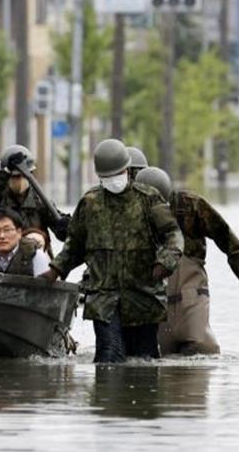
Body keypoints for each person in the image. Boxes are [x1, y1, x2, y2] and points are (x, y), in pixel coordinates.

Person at [39, 138, 183, 363]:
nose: (112, 181)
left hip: (142, 295)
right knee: (108, 358)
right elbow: (75, 245)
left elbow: (173, 234)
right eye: (106, 177)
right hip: (104, 298)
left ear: (127, 170)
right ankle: (105, 397)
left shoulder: (148, 199)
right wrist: (55, 269)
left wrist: (166, 260)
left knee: (144, 361)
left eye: (116, 174)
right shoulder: (90, 203)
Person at [135, 166, 239, 356]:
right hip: (156, 297)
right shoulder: (131, 214)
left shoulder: (190, 205)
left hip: (191, 292)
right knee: (160, 355)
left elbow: (222, 232)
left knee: (201, 348)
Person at [0, 144, 71, 254]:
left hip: (36, 259)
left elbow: (63, 232)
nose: (18, 181)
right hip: (5, 259)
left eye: (22, 176)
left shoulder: (40, 202)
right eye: (14, 177)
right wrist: (4, 173)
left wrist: (66, 227)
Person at [0, 208, 51, 276]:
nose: (2, 236)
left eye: (7, 230)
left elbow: (44, 291)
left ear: (19, 233)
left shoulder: (35, 256)